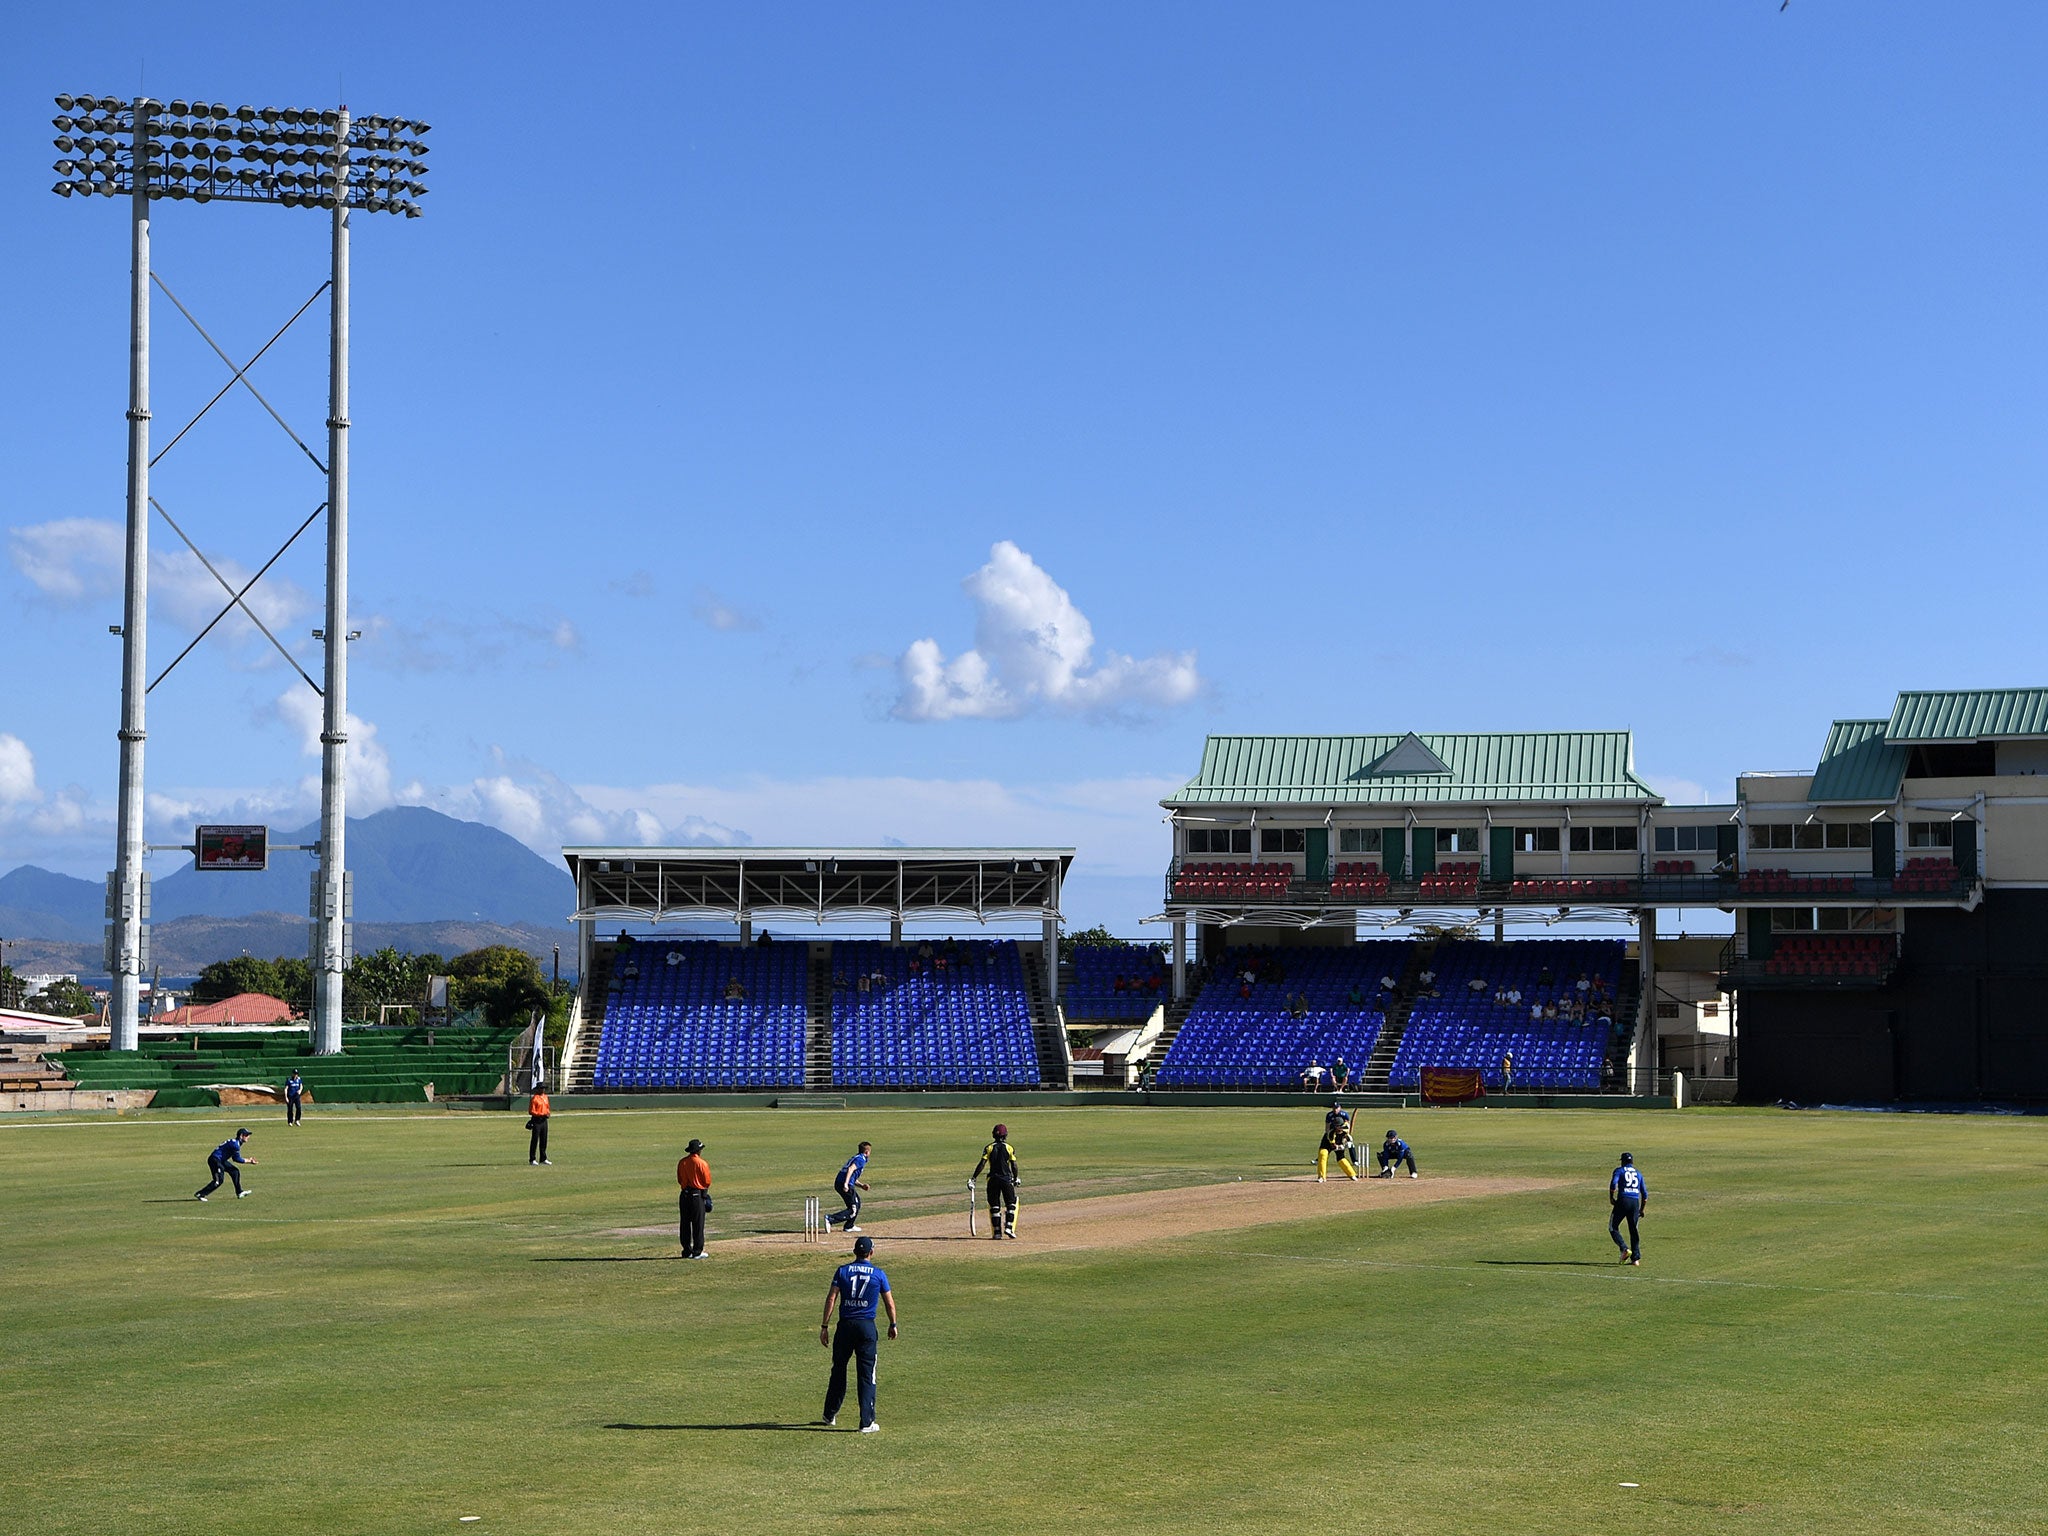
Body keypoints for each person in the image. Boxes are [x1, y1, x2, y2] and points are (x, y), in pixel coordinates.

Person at [817, 1234, 897, 1432]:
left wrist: (825, 1326)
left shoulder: (842, 1271)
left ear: (854, 1252)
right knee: (866, 1374)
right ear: (871, 1252)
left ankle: (829, 1414)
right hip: (866, 1327)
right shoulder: (878, 1274)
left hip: (845, 1326)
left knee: (838, 1370)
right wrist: (892, 1324)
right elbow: (889, 1303)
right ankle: (866, 1422)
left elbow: (831, 1298)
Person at [972, 1123, 1020, 1239]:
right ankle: (1009, 1227)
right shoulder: (1009, 1148)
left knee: (994, 1206)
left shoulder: (989, 1148)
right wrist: (1015, 1178)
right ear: (1006, 1135)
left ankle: (997, 1232)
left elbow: (982, 1164)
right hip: (1006, 1179)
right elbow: (1014, 1165)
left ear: (993, 1135)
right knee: (1011, 1204)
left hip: (992, 1180)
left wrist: (973, 1178)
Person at [195, 1127, 257, 1200]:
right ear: (241, 1136)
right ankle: (200, 1194)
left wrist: (248, 1160)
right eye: (246, 1135)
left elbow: (234, 1158)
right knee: (218, 1181)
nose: (248, 1137)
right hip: (215, 1160)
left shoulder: (236, 1143)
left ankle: (239, 1192)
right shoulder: (235, 1145)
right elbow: (237, 1159)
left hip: (221, 1160)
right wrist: (249, 1161)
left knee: (235, 1171)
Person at [824, 1141, 872, 1232]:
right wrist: (846, 1184)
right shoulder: (860, 1160)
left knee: (857, 1204)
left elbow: (851, 1176)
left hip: (841, 1183)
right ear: (867, 1152)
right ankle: (830, 1219)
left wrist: (861, 1185)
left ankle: (849, 1226)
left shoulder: (857, 1157)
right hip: (844, 1184)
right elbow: (850, 1169)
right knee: (853, 1209)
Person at [677, 1137, 711, 1259]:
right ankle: (697, 1251)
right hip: (697, 1195)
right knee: (698, 1224)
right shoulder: (701, 1163)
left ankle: (686, 1250)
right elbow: (707, 1181)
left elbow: (679, 1179)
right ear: (698, 1151)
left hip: (684, 1195)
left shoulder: (682, 1162)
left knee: (685, 1223)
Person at [1610, 1152, 1646, 1265]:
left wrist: (1611, 1197)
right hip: (1635, 1202)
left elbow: (1613, 1184)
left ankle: (1624, 1248)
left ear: (1622, 1162)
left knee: (1613, 1227)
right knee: (1633, 1230)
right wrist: (1641, 1209)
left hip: (1623, 1200)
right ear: (1632, 1162)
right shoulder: (1638, 1173)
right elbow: (1645, 1194)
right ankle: (1635, 1259)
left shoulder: (1619, 1171)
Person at [1316, 1102, 1359, 1182]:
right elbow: (1333, 1146)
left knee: (1341, 1158)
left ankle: (1352, 1174)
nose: (1339, 1128)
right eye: (1337, 1126)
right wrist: (1340, 1147)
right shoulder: (1331, 1134)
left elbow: (1348, 1137)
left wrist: (1348, 1142)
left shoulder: (1345, 1129)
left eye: (1340, 1126)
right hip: (1327, 1143)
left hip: (1340, 1141)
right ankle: (1322, 1177)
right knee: (1323, 1154)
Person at [527, 1083, 552, 1165]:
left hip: (544, 1120)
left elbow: (547, 1107)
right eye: (541, 1088)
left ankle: (543, 1158)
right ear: (537, 1089)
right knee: (535, 1139)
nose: (543, 1090)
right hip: (537, 1120)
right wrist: (541, 1114)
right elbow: (531, 1111)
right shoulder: (535, 1098)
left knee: (544, 1139)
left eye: (543, 1088)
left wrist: (548, 1113)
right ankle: (532, 1159)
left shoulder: (545, 1097)